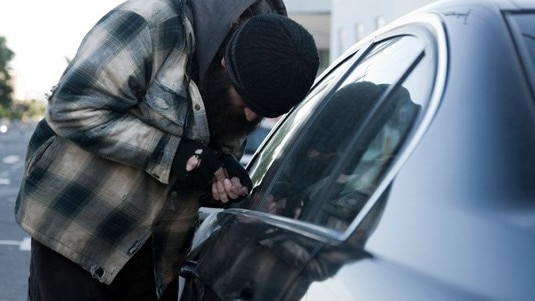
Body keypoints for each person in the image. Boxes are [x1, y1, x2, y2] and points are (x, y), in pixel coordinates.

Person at [14, 0, 319, 300]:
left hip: (157, 254)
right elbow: (72, 108)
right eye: (247, 102)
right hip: (79, 232)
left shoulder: (270, 52)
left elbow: (206, 149)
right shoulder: (150, 21)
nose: (252, 117)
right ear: (226, 60)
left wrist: (215, 176)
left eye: (262, 112)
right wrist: (174, 155)